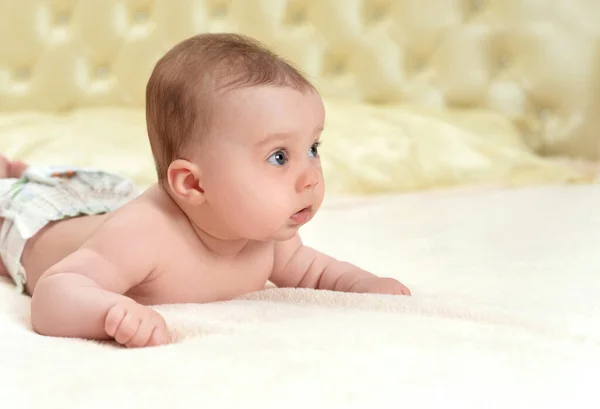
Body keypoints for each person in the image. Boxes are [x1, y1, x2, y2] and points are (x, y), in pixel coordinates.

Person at [0, 33, 411, 348]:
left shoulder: (264, 235)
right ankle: (15, 177)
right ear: (193, 183)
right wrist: (108, 311)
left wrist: (364, 285)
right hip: (39, 224)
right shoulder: (142, 235)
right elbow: (54, 293)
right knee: (15, 199)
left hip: (100, 207)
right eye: (279, 157)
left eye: (313, 148)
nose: (311, 177)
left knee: (80, 192)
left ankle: (24, 171)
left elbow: (314, 270)